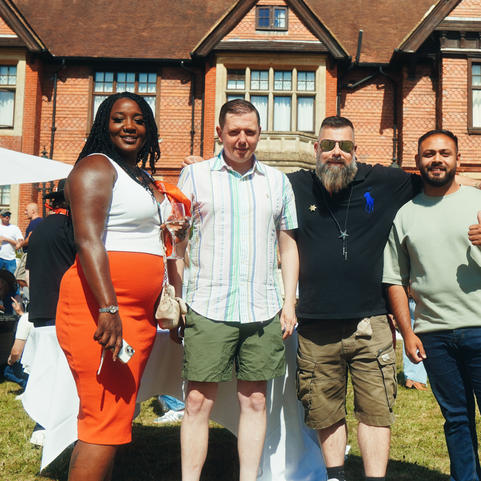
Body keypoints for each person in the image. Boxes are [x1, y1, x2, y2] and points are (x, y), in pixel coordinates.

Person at [56, 91, 178, 481]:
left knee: (112, 416)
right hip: (101, 308)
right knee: (104, 418)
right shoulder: (96, 166)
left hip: (138, 317)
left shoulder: (141, 177)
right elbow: (87, 240)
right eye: (119, 118)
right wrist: (109, 309)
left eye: (139, 120)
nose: (130, 126)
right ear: (103, 125)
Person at [175, 99, 298, 481]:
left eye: (250, 132)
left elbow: (288, 246)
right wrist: (177, 298)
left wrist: (289, 303)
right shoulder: (194, 176)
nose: (242, 139)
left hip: (262, 307)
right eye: (234, 132)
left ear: (260, 134)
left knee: (256, 400)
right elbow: (176, 243)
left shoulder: (277, 181)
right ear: (219, 133)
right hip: (207, 303)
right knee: (197, 402)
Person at [383, 129, 481, 481]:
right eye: (429, 154)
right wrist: (407, 332)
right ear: (417, 161)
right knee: (456, 419)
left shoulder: (478, 201)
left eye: (444, 153)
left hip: (480, 328)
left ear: (458, 160)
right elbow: (394, 278)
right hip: (434, 336)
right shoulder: (405, 215)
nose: (436, 159)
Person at [26, 180, 77, 328]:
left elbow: (27, 275)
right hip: (64, 311)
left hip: (39, 310)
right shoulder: (71, 227)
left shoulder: (38, 229)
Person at [15, 203, 42, 288]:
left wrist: (20, 244)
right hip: (37, 254)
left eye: (26, 210)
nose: (25, 212)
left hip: (29, 254)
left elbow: (30, 239)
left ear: (33, 211)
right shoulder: (41, 221)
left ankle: (32, 292)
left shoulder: (34, 222)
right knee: (30, 277)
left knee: (18, 277)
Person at [4, 311, 33, 389]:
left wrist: (11, 361)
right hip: (54, 366)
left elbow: (16, 352)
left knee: (8, 371)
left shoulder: (26, 318)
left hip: (32, 367)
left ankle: (28, 387)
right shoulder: (57, 317)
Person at [0, 209, 23, 275]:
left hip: (11, 258)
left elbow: (19, 243)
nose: (7, 216)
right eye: (5, 215)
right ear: (0, 217)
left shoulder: (15, 228)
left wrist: (7, 239)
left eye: (8, 215)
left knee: (11, 278)